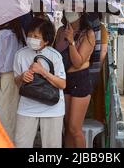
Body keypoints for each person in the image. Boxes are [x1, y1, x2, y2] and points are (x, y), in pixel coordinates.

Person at [14, 18, 66, 148]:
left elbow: (62, 84)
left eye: (36, 36)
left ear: (46, 40)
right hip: (27, 106)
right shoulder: (20, 54)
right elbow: (16, 82)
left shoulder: (55, 56)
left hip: (52, 108)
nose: (31, 38)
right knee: (21, 143)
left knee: (52, 145)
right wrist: (22, 77)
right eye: (29, 35)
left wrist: (43, 72)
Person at [54, 10, 95, 148]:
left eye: (74, 8)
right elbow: (55, 53)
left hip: (80, 79)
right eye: (68, 8)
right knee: (67, 125)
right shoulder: (61, 30)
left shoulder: (88, 33)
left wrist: (71, 41)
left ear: (81, 12)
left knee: (74, 128)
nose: (70, 12)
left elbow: (78, 62)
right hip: (65, 79)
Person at [0, 17, 26, 139]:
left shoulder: (1, 34)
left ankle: (6, 142)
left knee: (5, 114)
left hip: (6, 78)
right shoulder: (19, 32)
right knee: (15, 113)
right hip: (19, 76)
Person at [87, 12, 109, 89]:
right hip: (94, 67)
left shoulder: (84, 26)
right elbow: (103, 51)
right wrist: (99, 67)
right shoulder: (101, 28)